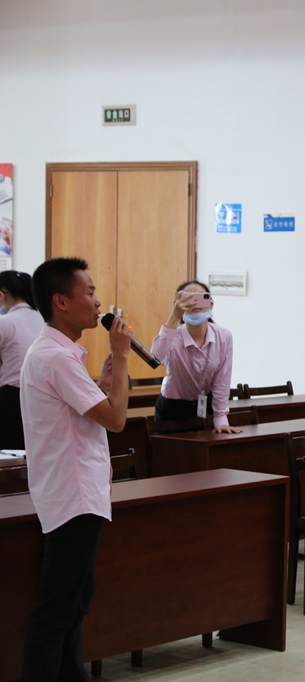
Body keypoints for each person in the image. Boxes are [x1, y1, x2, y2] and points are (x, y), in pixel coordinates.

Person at [20, 257, 131, 681]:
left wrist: (103, 382)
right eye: (90, 293)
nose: (98, 303)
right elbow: (116, 420)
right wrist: (121, 357)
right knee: (58, 609)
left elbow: (81, 413)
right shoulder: (56, 357)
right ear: (61, 302)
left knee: (74, 604)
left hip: (73, 494)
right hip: (74, 496)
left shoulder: (55, 353)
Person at [151, 280, 241, 433]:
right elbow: (156, 358)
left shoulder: (223, 336)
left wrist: (221, 418)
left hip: (205, 406)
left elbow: (222, 381)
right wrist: (174, 316)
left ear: (211, 304)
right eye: (188, 298)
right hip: (172, 408)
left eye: (200, 297)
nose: (195, 303)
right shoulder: (173, 335)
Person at [0, 270, 44, 449]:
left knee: (10, 452)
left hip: (12, 399)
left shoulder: (5, 322)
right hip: (43, 396)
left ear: (2, 295)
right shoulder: (44, 320)